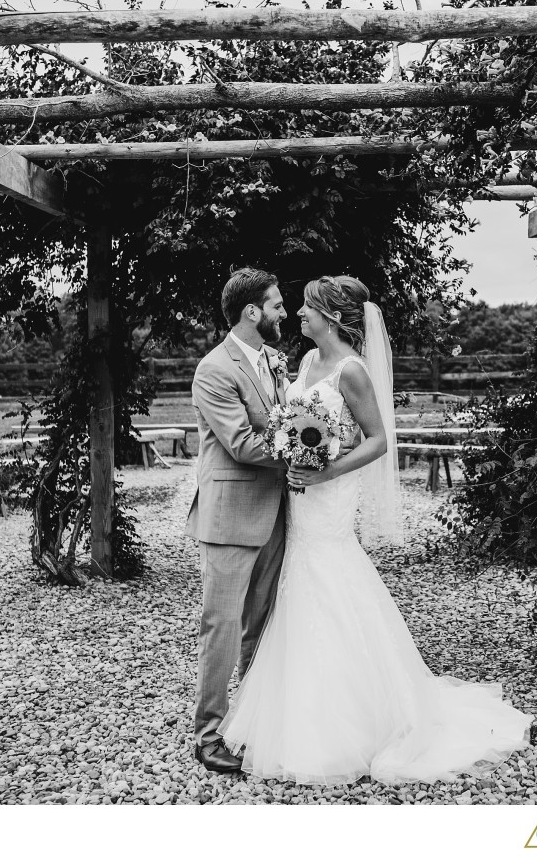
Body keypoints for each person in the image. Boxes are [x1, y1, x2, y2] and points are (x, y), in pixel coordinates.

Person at [218, 275, 533, 785]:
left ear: (332, 318)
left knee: (333, 582)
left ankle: (358, 721)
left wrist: (327, 469)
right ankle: (301, 710)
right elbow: (297, 421)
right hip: (303, 500)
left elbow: (378, 440)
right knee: (300, 587)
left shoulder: (352, 371)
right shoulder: (303, 363)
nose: (298, 315)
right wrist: (296, 449)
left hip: (330, 496)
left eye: (307, 309)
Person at [185, 267, 289, 773]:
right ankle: (208, 736)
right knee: (221, 627)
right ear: (252, 312)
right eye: (276, 304)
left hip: (278, 512)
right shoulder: (214, 369)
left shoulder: (273, 360)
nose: (284, 312)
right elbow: (243, 444)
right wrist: (311, 451)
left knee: (262, 623)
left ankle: (248, 722)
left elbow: (286, 418)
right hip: (230, 514)